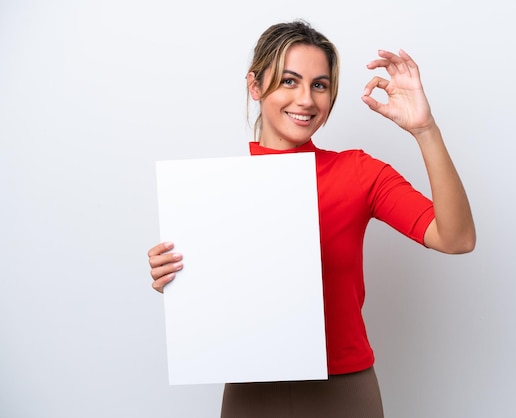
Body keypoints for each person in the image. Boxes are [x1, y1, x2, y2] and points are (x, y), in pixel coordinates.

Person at [148, 19, 475, 418]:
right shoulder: (214, 194)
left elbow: (456, 238)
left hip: (344, 391)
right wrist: (178, 281)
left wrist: (425, 130)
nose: (305, 99)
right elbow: (216, 299)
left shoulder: (358, 172)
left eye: (319, 85)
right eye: (289, 81)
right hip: (251, 391)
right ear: (255, 87)